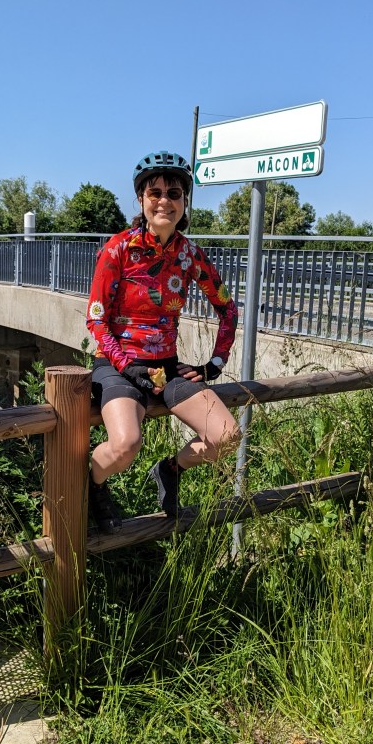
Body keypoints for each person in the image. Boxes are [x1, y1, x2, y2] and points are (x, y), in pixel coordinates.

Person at [85, 150, 240, 533]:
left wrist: (214, 364)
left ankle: (170, 469)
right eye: (155, 193)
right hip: (117, 365)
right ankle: (93, 485)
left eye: (174, 193)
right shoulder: (118, 248)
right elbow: (96, 318)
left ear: (184, 201)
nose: (164, 201)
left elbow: (227, 309)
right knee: (126, 444)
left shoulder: (190, 254)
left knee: (227, 437)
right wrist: (126, 365)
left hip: (167, 367)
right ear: (141, 199)